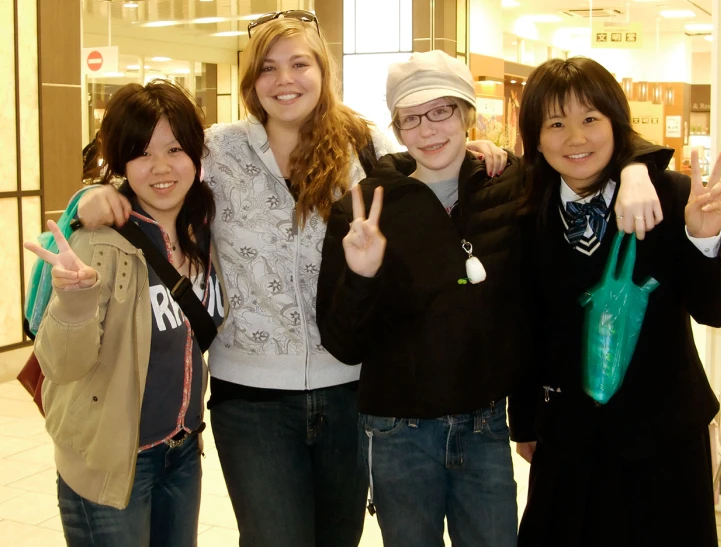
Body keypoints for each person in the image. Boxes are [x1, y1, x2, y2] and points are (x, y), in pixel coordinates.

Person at [75, 13, 507, 547]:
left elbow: (430, 164)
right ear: (250, 81)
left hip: (350, 389)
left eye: (300, 64)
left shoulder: (362, 145)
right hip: (250, 397)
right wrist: (96, 194)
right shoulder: (218, 149)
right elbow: (158, 172)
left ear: (322, 71)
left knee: (338, 539)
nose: (285, 80)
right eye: (269, 68)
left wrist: (481, 153)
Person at [315, 50, 668, 547]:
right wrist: (361, 275)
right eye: (411, 117)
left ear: (468, 115)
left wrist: (636, 170)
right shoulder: (363, 209)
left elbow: (586, 152)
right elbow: (342, 343)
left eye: (443, 111)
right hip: (398, 429)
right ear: (396, 127)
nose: (429, 129)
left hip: (484, 424)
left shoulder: (512, 184)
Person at [508, 56, 721, 547]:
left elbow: (716, 311)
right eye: (556, 124)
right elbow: (527, 325)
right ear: (535, 136)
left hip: (663, 440)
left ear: (616, 123)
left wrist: (704, 239)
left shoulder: (672, 195)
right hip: (569, 441)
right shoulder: (528, 213)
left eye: (591, 119)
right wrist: (525, 421)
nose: (576, 139)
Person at [24, 79, 225, 547]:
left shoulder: (203, 229)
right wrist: (73, 300)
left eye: (175, 149)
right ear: (121, 164)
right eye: (141, 153)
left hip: (181, 451)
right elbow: (62, 365)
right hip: (112, 461)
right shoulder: (101, 239)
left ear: (196, 155)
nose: (161, 168)